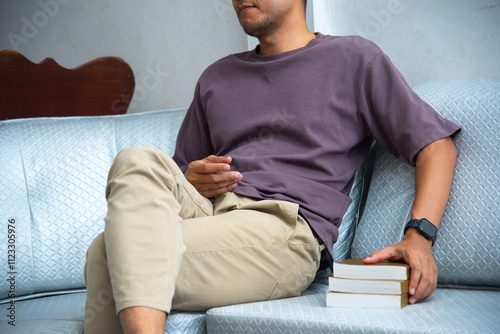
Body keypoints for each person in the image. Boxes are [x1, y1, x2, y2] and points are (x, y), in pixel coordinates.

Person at [84, 0, 461, 333]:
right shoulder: (216, 77)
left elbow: (436, 146)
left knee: (106, 254)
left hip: (284, 229)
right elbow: (168, 188)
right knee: (134, 158)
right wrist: (190, 178)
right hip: (209, 217)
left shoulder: (353, 59)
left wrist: (419, 236)